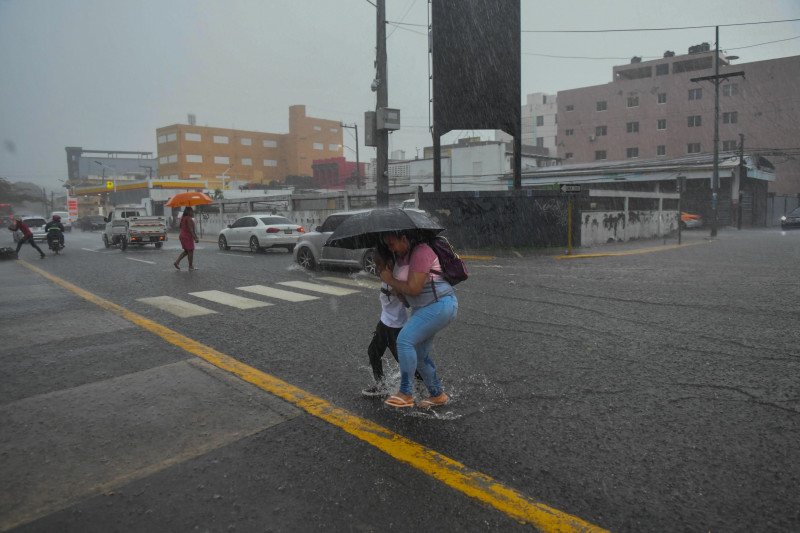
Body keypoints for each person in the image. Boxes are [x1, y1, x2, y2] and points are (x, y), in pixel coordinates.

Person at [379, 231, 458, 409]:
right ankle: (437, 394)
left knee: (404, 340)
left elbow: (414, 288)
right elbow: (409, 295)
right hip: (423, 308)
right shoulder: (402, 257)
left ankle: (405, 393)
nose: (390, 248)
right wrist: (398, 291)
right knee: (419, 353)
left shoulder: (421, 252)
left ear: (404, 238)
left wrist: (391, 280)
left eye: (392, 243)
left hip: (440, 304)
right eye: (387, 245)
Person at [361, 246, 423, 397]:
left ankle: (424, 384)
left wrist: (398, 292)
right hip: (384, 323)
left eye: (379, 265)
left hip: (397, 327)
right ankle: (380, 385)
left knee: (404, 360)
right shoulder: (386, 276)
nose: (377, 269)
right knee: (373, 352)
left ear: (389, 263)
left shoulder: (398, 277)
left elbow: (410, 300)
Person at [173, 206, 199, 270]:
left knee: (186, 251)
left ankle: (177, 262)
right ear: (189, 212)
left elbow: (182, 227)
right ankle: (190, 266)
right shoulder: (189, 219)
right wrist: (195, 238)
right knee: (190, 251)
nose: (192, 212)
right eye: (191, 211)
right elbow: (191, 229)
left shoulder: (183, 218)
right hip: (187, 237)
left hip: (182, 236)